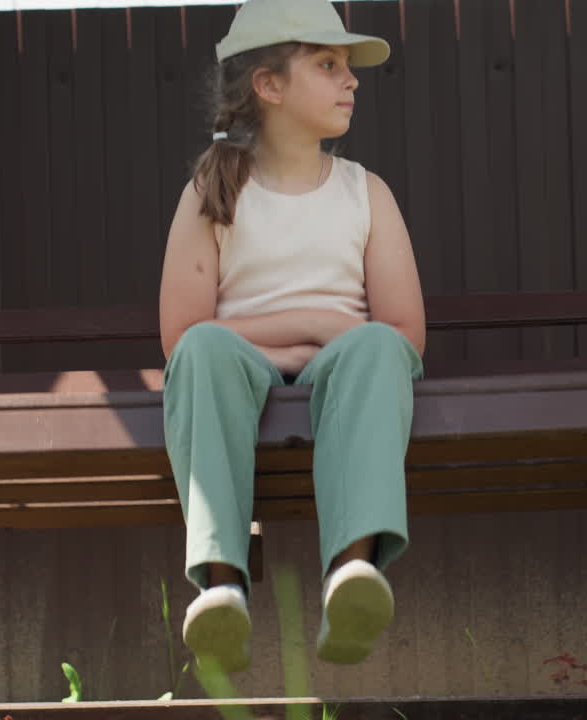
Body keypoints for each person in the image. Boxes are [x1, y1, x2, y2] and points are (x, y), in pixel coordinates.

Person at [157, 0, 425, 674]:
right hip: (237, 371)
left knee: (373, 349)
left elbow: (402, 333)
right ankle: (220, 587)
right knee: (204, 353)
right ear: (269, 86)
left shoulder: (367, 195)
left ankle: (352, 576)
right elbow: (183, 336)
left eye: (348, 67)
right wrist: (310, 326)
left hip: (344, 374)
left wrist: (335, 344)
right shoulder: (212, 193)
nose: (351, 80)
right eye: (328, 64)